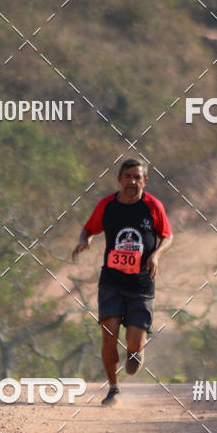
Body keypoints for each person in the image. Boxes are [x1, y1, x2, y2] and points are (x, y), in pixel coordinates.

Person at [71, 158, 173, 406]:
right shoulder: (107, 205)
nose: (132, 182)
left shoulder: (153, 206)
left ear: (145, 181)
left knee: (134, 342)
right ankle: (113, 388)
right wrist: (84, 241)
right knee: (109, 334)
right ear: (119, 179)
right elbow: (89, 228)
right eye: (127, 176)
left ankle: (135, 351)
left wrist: (156, 255)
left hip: (141, 285)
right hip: (112, 283)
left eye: (137, 177)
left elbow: (167, 236)